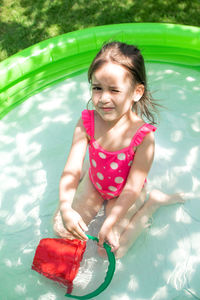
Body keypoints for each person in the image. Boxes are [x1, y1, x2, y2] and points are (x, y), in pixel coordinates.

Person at [53, 41, 184, 259]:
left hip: (126, 192)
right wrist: (66, 208)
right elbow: (71, 170)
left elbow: (132, 188)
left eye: (114, 90)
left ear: (136, 92)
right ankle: (91, 172)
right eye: (97, 88)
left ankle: (153, 203)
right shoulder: (87, 122)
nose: (104, 98)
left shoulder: (144, 137)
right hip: (96, 183)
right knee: (63, 230)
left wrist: (111, 221)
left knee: (111, 252)